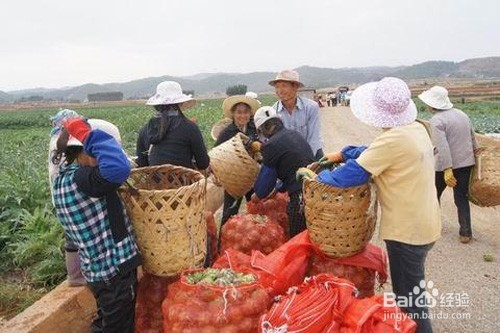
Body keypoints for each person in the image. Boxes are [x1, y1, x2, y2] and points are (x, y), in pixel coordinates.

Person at [299, 77, 441, 333]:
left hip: (407, 232)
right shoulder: (416, 128)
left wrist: (317, 177)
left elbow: (352, 174)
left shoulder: (393, 140)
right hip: (425, 223)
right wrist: (343, 153)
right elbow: (371, 151)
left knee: (410, 301)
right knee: (413, 293)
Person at [52, 117, 141, 332]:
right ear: (86, 150)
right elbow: (119, 168)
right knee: (119, 326)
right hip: (114, 273)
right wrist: (87, 133)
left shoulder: (64, 177)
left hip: (97, 272)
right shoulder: (86, 179)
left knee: (107, 321)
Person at [418, 86, 478, 244]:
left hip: (445, 165)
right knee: (461, 197)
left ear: (432, 104)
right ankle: (465, 233)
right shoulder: (462, 114)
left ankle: (433, 227)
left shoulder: (437, 120)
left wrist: (447, 169)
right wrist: (476, 156)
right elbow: (472, 138)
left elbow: (443, 147)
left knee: (434, 194)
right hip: (466, 163)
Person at [252, 106, 315, 238]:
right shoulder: (294, 134)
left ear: (263, 128)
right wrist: (279, 188)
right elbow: (293, 166)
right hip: (316, 190)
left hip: (300, 197)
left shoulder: (271, 145)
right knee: (313, 236)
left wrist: (257, 195)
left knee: (298, 239)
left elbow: (265, 182)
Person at [48, 109, 86, 286]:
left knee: (70, 234)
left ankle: (74, 275)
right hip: (70, 195)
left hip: (60, 196)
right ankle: (77, 276)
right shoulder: (64, 142)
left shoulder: (54, 141)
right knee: (76, 236)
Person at [136, 81, 209, 171]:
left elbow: (142, 164)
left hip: (156, 183)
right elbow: (203, 163)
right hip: (185, 183)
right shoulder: (190, 127)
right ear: (180, 103)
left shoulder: (145, 129)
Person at [214, 95, 260, 225]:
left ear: (250, 114)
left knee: (256, 209)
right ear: (233, 114)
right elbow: (216, 153)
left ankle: (254, 241)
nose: (242, 116)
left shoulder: (254, 128)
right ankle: (222, 243)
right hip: (234, 178)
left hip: (253, 176)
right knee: (229, 213)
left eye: (245, 112)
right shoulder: (227, 132)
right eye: (239, 112)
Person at [269, 70, 324, 159]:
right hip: (287, 157)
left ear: (295, 87)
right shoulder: (273, 112)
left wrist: (307, 161)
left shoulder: (311, 107)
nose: (280, 91)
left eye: (284, 86)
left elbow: (313, 139)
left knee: (324, 171)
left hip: (313, 153)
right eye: (277, 87)